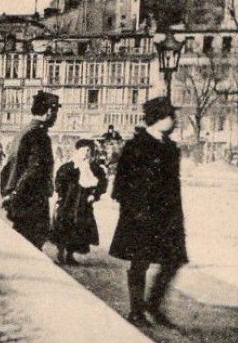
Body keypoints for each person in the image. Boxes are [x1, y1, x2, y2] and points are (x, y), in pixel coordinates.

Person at [110, 96, 189, 326]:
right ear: (158, 118)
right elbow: (121, 183)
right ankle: (136, 310)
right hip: (141, 215)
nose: (174, 120)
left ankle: (153, 305)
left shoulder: (171, 147)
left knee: (173, 260)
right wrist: (134, 211)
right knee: (140, 262)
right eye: (170, 116)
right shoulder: (136, 145)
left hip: (168, 215)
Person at [0, 90, 60, 250]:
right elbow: (34, 170)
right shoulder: (40, 135)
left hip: (19, 199)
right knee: (32, 244)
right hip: (32, 200)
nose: (55, 117)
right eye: (55, 112)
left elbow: (7, 168)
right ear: (49, 112)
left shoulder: (22, 132)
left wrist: (8, 193)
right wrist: (17, 194)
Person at [49, 137, 108, 266]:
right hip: (68, 202)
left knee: (78, 228)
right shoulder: (69, 166)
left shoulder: (94, 168)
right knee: (64, 224)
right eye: (84, 150)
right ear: (78, 151)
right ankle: (60, 252)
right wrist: (61, 195)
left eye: (89, 151)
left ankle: (70, 255)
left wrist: (95, 195)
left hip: (83, 203)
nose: (86, 153)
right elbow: (59, 181)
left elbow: (103, 183)